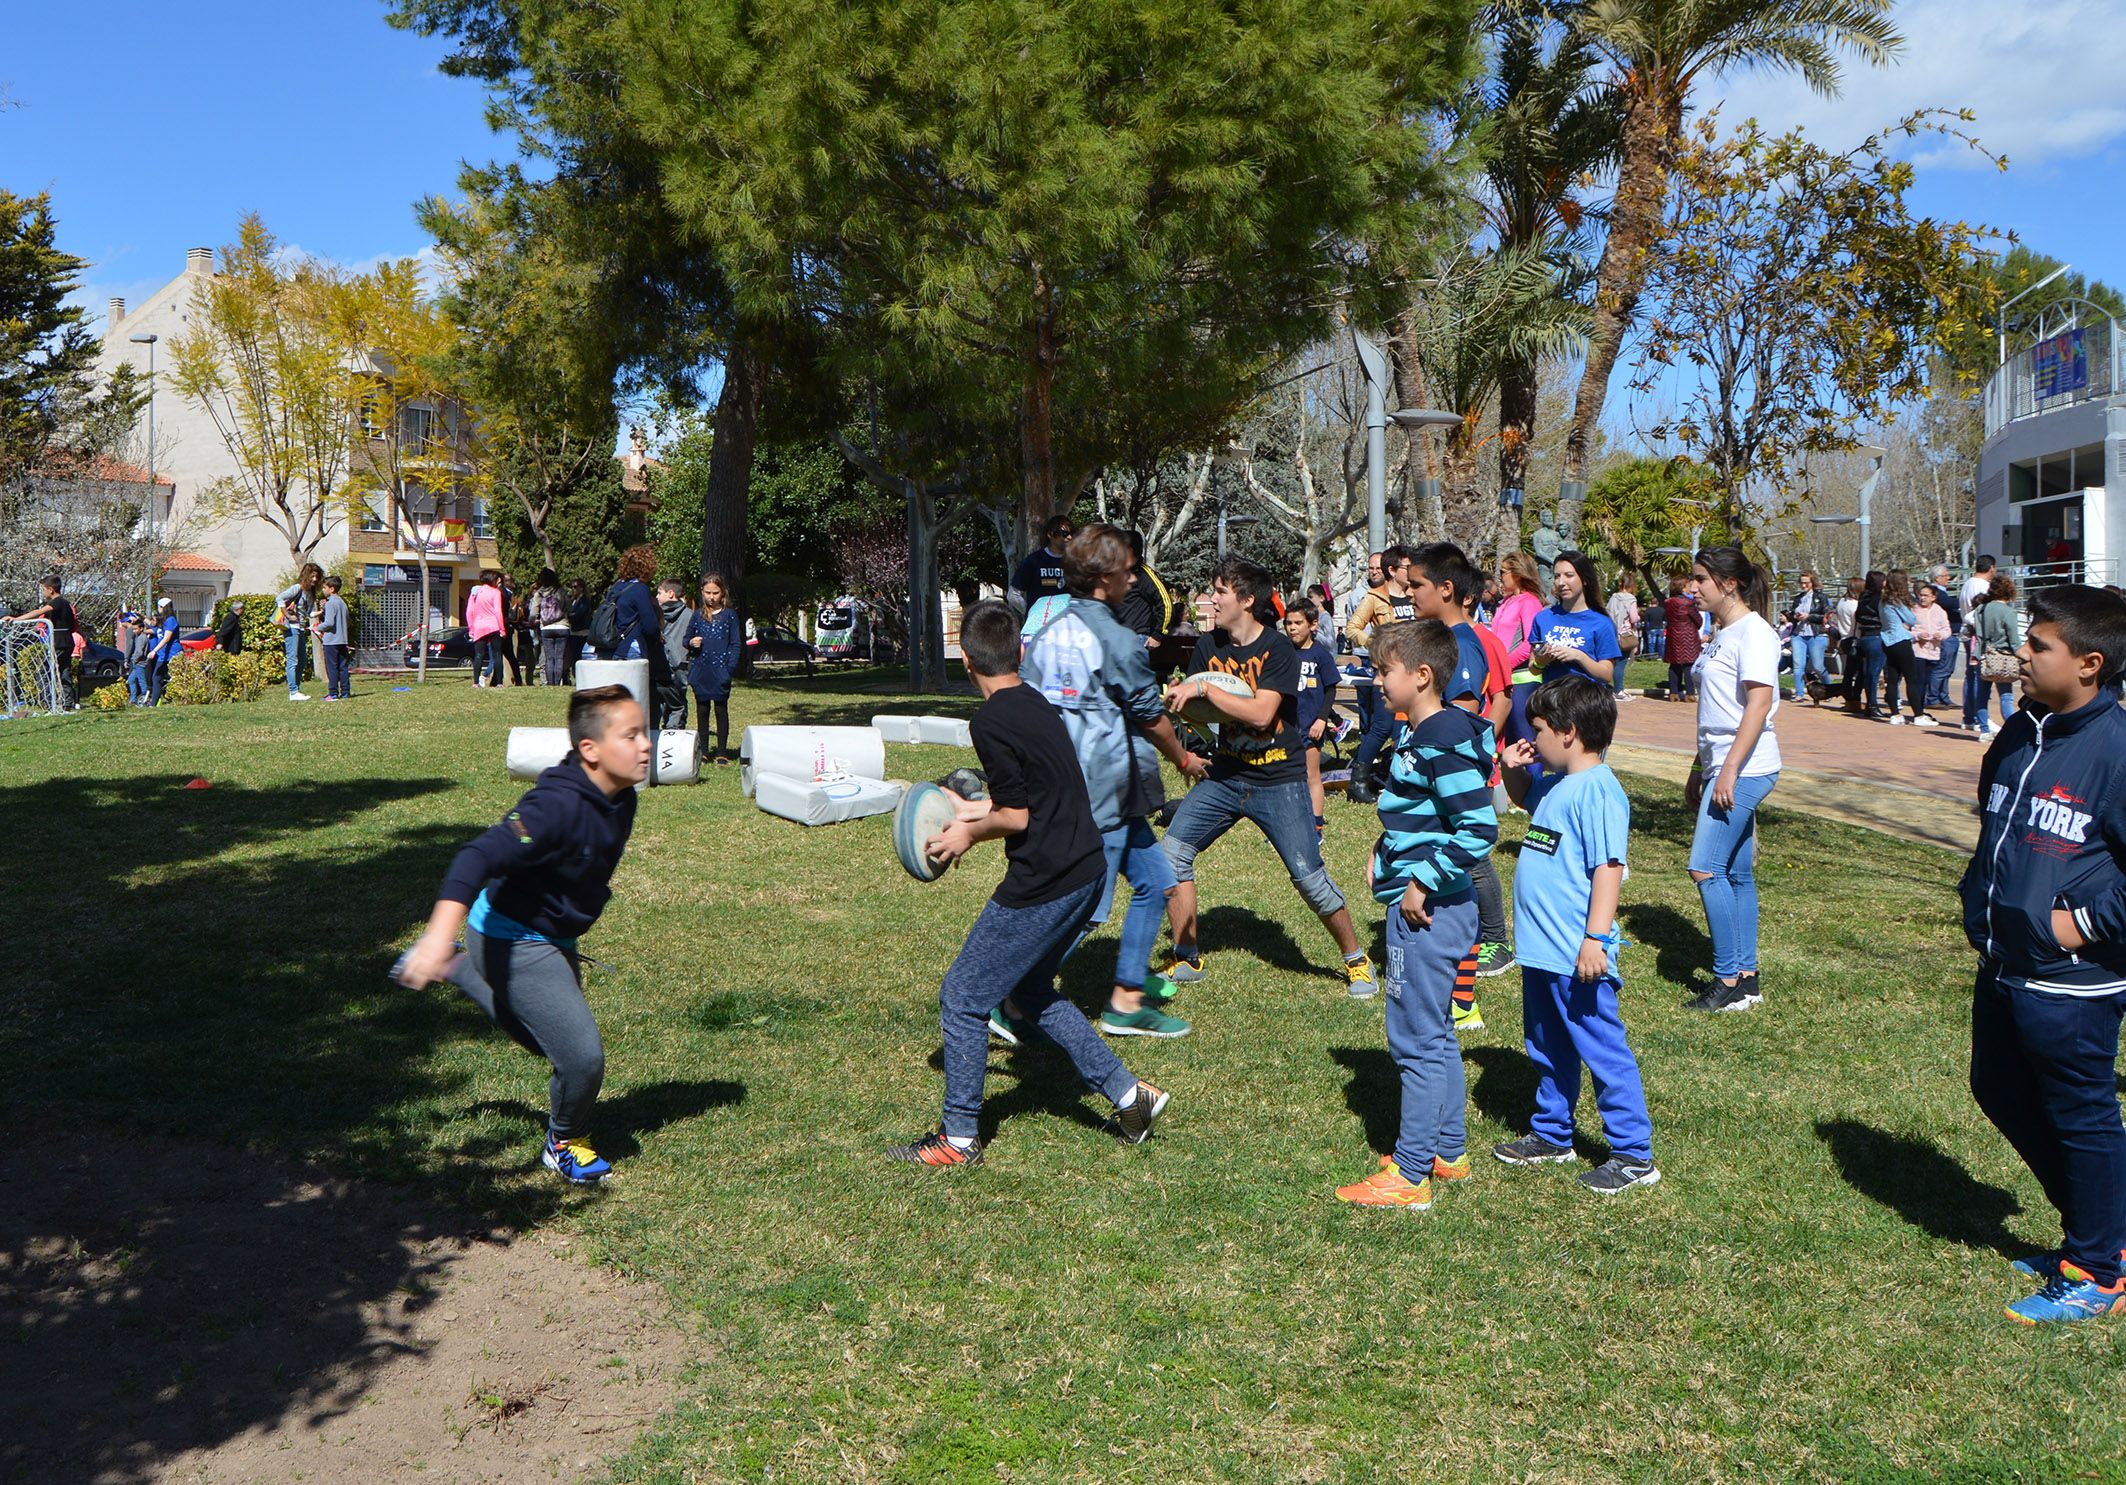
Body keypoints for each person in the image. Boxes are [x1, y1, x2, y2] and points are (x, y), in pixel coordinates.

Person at [887, 600, 1166, 1168]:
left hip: (1047, 880)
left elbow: (1016, 818)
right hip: (1087, 866)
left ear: (965, 660)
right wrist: (972, 809)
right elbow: (1032, 794)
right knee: (1032, 991)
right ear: (1020, 652)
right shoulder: (1035, 702)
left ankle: (959, 1140)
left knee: (963, 998)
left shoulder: (987, 721)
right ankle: (1130, 1097)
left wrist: (969, 834)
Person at [393, 685, 649, 1184]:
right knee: (580, 1058)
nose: (645, 745)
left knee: (545, 1041)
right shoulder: (552, 807)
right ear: (590, 751)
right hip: (511, 934)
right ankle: (564, 1141)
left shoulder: (621, 796)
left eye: (645, 732)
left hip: (553, 935)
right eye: (631, 735)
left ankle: (457, 966)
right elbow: (478, 856)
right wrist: (433, 934)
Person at [1960, 584, 2126, 1324]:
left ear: (2090, 663)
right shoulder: (2023, 731)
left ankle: (2097, 1267)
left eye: (2039, 645)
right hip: (2003, 961)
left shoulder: (2116, 750)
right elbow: (1994, 821)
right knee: (1997, 1085)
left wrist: (2080, 924)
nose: (2021, 653)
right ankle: (2104, 1232)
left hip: (2071, 981)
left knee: (2082, 1116)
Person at [1332, 619, 1497, 1210]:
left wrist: (1421, 882)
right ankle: (1446, 1151)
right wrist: (1389, 851)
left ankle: (1409, 1176)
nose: (1375, 681)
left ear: (1421, 676)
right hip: (1433, 905)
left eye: (1383, 672)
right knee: (1437, 1030)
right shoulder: (1426, 730)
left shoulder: (1439, 737)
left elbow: (1479, 828)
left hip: (1428, 912)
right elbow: (1422, 812)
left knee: (1415, 1039)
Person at [1017, 524, 1205, 1039]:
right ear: (1103, 578)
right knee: (1089, 905)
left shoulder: (1050, 632)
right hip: (1105, 788)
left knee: (1156, 882)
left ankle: (1126, 999)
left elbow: (1030, 706)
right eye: (1125, 568)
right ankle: (1013, 994)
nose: (1133, 575)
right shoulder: (1117, 639)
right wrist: (1183, 759)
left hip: (1070, 783)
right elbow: (1150, 716)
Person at [1160, 557, 1376, 995]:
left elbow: (1261, 714)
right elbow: (1207, 713)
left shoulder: (1278, 649)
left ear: (1247, 600)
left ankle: (1356, 959)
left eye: (1220, 592)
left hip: (1280, 778)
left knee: (1308, 877)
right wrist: (1186, 719)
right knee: (1172, 854)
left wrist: (1202, 688)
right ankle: (1187, 958)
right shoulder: (1208, 645)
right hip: (1225, 775)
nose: (1212, 599)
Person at [1494, 675, 1658, 1192]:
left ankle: (1634, 1154)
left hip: (1576, 952)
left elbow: (1609, 867)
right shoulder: (1558, 784)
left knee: (1602, 1049)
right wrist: (1510, 769)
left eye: (1538, 729)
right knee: (1546, 1045)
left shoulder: (1600, 792)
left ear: (1567, 733)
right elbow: (1524, 801)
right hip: (1543, 951)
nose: (1532, 738)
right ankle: (1552, 1133)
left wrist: (1595, 938)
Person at [1408, 542, 1516, 1010]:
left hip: (1452, 771)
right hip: (1435, 768)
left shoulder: (1463, 643)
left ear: (1446, 589)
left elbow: (1466, 712)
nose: (1409, 593)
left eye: (1416, 585)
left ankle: (1494, 939)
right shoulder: (1441, 637)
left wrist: (1446, 761)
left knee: (1472, 852)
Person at [1684, 547, 1782, 1013]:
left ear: (1729, 583)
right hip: (1722, 763)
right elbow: (1714, 713)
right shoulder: (1723, 634)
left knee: (1705, 867)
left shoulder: (1756, 634)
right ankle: (1746, 976)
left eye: (1701, 578)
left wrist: (1727, 771)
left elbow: (1758, 706)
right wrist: (1697, 768)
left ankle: (1727, 979)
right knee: (1736, 873)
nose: (1693, 587)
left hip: (1745, 767)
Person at [1343, 545, 1419, 804]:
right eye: (1407, 567)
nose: (1411, 571)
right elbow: (1352, 629)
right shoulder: (1375, 597)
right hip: (1386, 671)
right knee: (1382, 726)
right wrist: (1376, 644)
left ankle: (1395, 779)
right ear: (1392, 570)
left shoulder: (1415, 595)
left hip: (1414, 670)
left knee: (1405, 728)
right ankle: (1358, 780)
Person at [1283, 597, 1340, 834]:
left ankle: (1315, 825)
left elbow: (1330, 688)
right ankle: (1288, 824)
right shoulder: (1284, 653)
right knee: (1286, 777)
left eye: (1298, 622)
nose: (1292, 628)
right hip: (1286, 725)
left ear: (1313, 625)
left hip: (1310, 724)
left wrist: (1322, 718)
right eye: (1288, 623)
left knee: (1311, 775)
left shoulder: (1320, 655)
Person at [1529, 550, 1622, 689]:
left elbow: (1606, 675)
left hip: (1585, 703)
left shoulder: (1602, 623)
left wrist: (1579, 656)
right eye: (1557, 576)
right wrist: (1541, 662)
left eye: (1569, 575)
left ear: (1584, 579)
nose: (1561, 582)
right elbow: (1533, 668)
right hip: (1550, 701)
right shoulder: (1542, 618)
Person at [1490, 551, 1547, 755]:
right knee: (1508, 745)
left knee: (1525, 742)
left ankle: (1534, 784)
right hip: (1503, 679)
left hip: (1522, 680)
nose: (1500, 577)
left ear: (1518, 574)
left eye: (1503, 572)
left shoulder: (1529, 601)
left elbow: (1531, 642)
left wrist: (1503, 664)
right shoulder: (1505, 602)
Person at [690, 574, 743, 765]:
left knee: (721, 710)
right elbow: (686, 638)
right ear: (702, 592)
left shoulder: (729, 616)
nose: (711, 597)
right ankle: (704, 751)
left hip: (721, 670)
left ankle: (722, 751)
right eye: (707, 592)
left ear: (722, 593)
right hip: (701, 670)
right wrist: (691, 642)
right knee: (702, 711)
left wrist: (728, 668)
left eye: (715, 593)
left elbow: (736, 644)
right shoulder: (697, 615)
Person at [9, 573, 78, 709]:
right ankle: (67, 703)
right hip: (67, 642)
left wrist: (16, 619)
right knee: (64, 671)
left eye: (43, 589)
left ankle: (49, 703)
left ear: (50, 589)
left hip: (59, 643)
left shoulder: (57, 602)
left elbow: (38, 612)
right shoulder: (65, 604)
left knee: (44, 672)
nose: (43, 592)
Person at [1965, 572, 2022, 737]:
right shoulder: (2008, 612)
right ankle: (2012, 730)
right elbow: (2014, 640)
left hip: (1984, 656)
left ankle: (1984, 729)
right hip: (2003, 658)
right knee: (2006, 696)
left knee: (1982, 696)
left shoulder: (1981, 609)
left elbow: (1979, 634)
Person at [1343, 551, 1390, 740]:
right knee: (1364, 699)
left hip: (1387, 657)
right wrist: (1370, 643)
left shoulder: (1393, 593)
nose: (1374, 572)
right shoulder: (1357, 595)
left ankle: (1381, 737)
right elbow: (1351, 626)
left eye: (1378, 568)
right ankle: (1365, 736)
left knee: (1383, 699)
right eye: (1371, 568)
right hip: (1365, 655)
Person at [1879, 570, 1935, 726]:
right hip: (1901, 640)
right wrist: (1906, 622)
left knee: (1893, 679)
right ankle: (1918, 715)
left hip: (1887, 641)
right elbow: (1911, 619)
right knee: (1912, 679)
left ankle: (1895, 714)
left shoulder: (1883, 600)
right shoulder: (1896, 600)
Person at [599, 546, 662, 662]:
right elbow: (650, 626)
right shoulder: (640, 589)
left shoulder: (615, 587)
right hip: (630, 648)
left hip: (609, 647)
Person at [1006, 515, 1076, 614]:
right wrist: (1032, 614)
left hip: (1067, 625)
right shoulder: (1033, 561)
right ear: (1050, 534)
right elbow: (1013, 595)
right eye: (1064, 534)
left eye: (1072, 533)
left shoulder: (1075, 562)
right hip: (1040, 626)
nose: (1070, 537)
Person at [275, 563, 324, 701]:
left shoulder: (310, 593)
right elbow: (279, 598)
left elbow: (307, 613)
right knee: (293, 659)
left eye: (316, 576)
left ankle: (296, 689)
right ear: (306, 575)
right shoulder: (297, 588)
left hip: (301, 628)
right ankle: (293, 691)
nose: (314, 579)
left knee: (302, 660)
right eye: (312, 576)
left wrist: (320, 612)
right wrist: (288, 615)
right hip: (291, 628)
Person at [655, 579, 698, 729]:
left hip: (661, 663)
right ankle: (676, 730)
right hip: (681, 663)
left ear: (671, 593)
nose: (657, 596)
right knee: (679, 700)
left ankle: (664, 728)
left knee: (662, 699)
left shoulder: (655, 614)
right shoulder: (690, 615)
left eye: (660, 592)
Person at [1910, 579, 1953, 725]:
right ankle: (1918, 711)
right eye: (1921, 595)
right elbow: (1906, 629)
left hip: (1933, 651)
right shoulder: (1913, 609)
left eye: (1926, 595)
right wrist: (1917, 635)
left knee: (1927, 681)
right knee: (1918, 681)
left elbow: (1946, 629)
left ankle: (1921, 708)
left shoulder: (1939, 611)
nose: (1923, 598)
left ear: (1933, 597)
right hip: (1917, 651)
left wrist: (1941, 635)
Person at [1784, 571, 1830, 702]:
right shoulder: (1798, 598)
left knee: (1818, 666)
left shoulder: (1821, 597)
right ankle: (1799, 693)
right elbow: (1792, 615)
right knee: (1798, 666)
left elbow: (1827, 616)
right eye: (1802, 583)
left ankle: (1828, 689)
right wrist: (1794, 616)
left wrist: (1809, 616)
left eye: (1806, 583)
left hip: (1816, 634)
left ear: (1812, 583)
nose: (1803, 586)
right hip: (1799, 635)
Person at [1850, 571, 1887, 716]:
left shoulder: (1863, 597)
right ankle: (1872, 704)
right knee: (1874, 673)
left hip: (1864, 637)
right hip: (1876, 635)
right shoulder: (1880, 598)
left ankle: (1869, 703)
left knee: (1867, 672)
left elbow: (1858, 616)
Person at [1925, 566, 1963, 707]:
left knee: (1947, 669)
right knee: (1941, 668)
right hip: (1945, 635)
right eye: (1945, 575)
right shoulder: (1936, 593)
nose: (1948, 578)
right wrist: (1965, 599)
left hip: (1951, 634)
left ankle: (1943, 696)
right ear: (1937, 578)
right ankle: (1933, 698)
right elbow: (1949, 603)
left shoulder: (1942, 593)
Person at [1662, 575, 1702, 702]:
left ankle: (1674, 692)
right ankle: (1690, 693)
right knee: (1688, 665)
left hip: (1673, 636)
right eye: (1688, 586)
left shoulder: (1667, 603)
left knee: (1674, 665)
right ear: (1683, 588)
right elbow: (1698, 620)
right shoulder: (1688, 603)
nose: (1691, 588)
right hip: (1688, 637)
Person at [467, 570, 507, 688]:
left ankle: (475, 682)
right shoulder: (495, 592)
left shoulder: (475, 592)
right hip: (493, 625)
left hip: (479, 626)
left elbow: (469, 611)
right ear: (492, 580)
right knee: (497, 655)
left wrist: (471, 628)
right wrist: (502, 629)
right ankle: (499, 683)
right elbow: (498, 611)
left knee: (478, 654)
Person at [1605, 572, 1642, 699]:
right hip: (1625, 635)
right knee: (1621, 663)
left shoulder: (1613, 597)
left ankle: (1614, 688)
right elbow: (1633, 618)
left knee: (1613, 662)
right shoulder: (1631, 599)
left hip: (1612, 633)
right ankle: (1618, 690)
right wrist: (1638, 616)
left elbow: (1607, 613)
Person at [317, 576, 352, 701]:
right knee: (343, 667)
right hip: (343, 640)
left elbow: (329, 623)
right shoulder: (342, 603)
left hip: (331, 641)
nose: (323, 589)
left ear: (331, 589)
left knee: (332, 668)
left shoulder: (331, 603)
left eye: (324, 587)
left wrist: (317, 627)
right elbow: (347, 622)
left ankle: (333, 693)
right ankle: (346, 692)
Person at [143, 597, 181, 706]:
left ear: (163, 607)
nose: (158, 609)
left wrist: (154, 650)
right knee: (157, 677)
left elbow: (167, 638)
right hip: (163, 655)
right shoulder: (164, 621)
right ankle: (155, 702)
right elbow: (152, 626)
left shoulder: (171, 620)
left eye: (159, 607)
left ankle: (158, 701)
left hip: (172, 654)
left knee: (166, 677)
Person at [534, 569, 569, 686]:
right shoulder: (561, 591)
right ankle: (558, 682)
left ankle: (550, 683)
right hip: (562, 626)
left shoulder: (539, 593)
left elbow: (533, 613)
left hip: (546, 628)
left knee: (549, 658)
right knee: (559, 657)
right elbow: (570, 607)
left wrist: (535, 620)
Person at [565, 579, 593, 681]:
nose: (573, 589)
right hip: (573, 632)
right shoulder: (573, 600)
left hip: (582, 632)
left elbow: (579, 614)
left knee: (579, 656)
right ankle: (574, 676)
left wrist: (568, 616)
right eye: (572, 587)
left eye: (575, 587)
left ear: (582, 588)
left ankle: (580, 678)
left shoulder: (584, 600)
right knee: (573, 656)